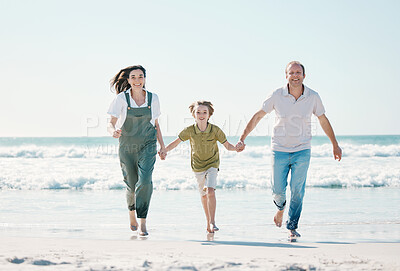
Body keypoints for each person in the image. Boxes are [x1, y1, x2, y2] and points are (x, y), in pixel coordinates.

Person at [236, 61, 342, 239]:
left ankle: (292, 227)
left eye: (298, 72)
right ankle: (280, 209)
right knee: (278, 190)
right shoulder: (277, 95)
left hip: (302, 149)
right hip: (279, 149)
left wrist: (335, 144)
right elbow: (259, 115)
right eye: (291, 72)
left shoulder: (313, 96)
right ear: (286, 76)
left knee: (298, 190)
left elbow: (323, 119)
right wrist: (242, 138)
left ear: (304, 76)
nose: (295, 75)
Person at [161, 101, 238, 233]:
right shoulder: (190, 130)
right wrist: (164, 150)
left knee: (210, 191)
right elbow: (176, 142)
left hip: (212, 164)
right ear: (193, 115)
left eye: (204, 112)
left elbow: (227, 145)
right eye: (198, 112)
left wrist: (236, 148)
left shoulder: (215, 130)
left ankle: (213, 222)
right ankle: (208, 222)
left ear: (209, 115)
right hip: (198, 167)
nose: (201, 114)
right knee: (203, 195)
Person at [107, 65, 166, 236]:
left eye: (140, 77)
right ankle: (131, 212)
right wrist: (113, 132)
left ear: (145, 79)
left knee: (145, 181)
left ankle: (143, 221)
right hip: (127, 145)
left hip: (148, 144)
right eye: (133, 77)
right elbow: (111, 122)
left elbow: (156, 125)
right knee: (132, 184)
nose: (137, 80)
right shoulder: (121, 99)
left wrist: (162, 146)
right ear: (128, 79)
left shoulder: (153, 98)